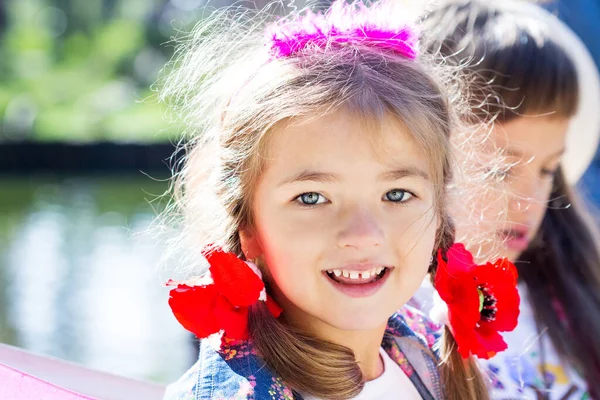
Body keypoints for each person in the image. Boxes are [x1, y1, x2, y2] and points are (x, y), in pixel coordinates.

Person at [157, 1, 519, 399]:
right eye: (312, 197)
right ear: (247, 225)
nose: (363, 234)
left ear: (439, 212)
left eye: (397, 194)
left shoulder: (427, 358)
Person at [421, 1, 600, 398]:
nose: (529, 203)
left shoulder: (565, 302)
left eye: (547, 171)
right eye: (499, 170)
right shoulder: (390, 316)